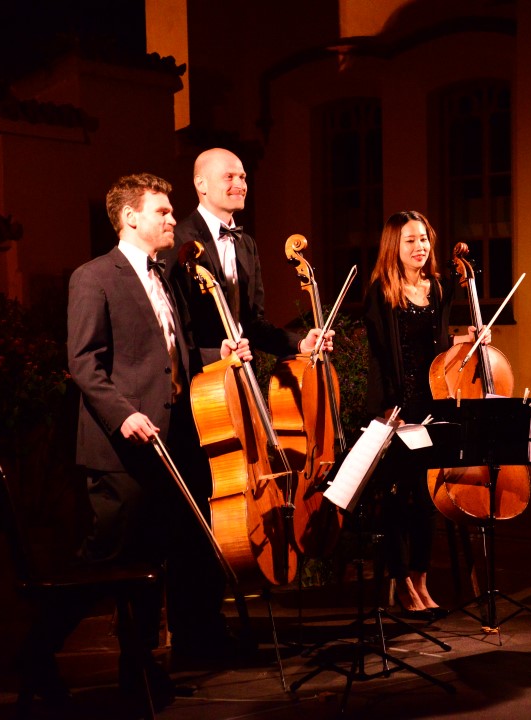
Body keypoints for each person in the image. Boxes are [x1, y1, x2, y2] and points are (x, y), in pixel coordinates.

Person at [32, 172, 192, 710]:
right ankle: (36, 652)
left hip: (165, 444)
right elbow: (84, 363)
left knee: (149, 563)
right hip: (120, 448)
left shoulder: (164, 276)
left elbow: (168, 357)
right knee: (103, 559)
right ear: (129, 217)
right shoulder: (94, 276)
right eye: (162, 211)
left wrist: (218, 356)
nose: (172, 219)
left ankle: (139, 667)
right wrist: (124, 417)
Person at [166, 147, 332, 658]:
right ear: (201, 184)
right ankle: (191, 631)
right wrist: (215, 355)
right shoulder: (180, 242)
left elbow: (253, 323)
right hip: (200, 394)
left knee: (231, 502)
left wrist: (296, 342)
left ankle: (212, 622)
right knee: (198, 510)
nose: (240, 183)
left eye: (242, 175)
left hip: (240, 389)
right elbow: (175, 329)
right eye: (229, 176)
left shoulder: (248, 243)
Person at [362, 210, 489, 620]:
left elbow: (438, 345)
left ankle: (421, 578)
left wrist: (469, 338)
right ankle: (401, 581)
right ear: (394, 247)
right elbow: (380, 357)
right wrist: (387, 412)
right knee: (400, 499)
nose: (420, 247)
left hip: (433, 404)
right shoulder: (381, 292)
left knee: (427, 498)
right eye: (410, 240)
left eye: (424, 239)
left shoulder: (437, 288)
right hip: (398, 409)